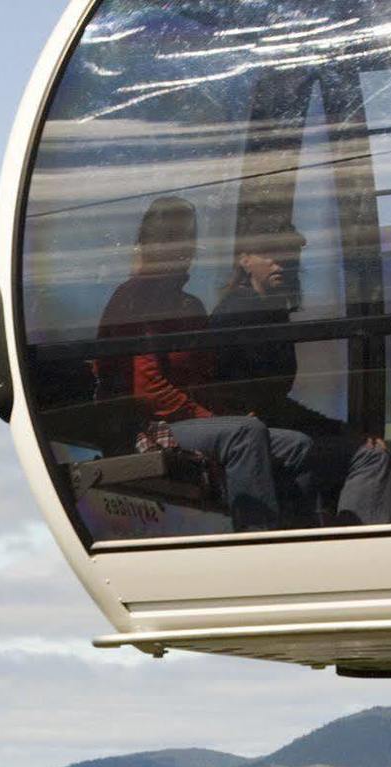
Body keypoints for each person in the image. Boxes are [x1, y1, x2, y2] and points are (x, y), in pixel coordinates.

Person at [94, 196, 289, 531]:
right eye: (170, 239)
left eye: (187, 240)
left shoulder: (191, 305)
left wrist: (226, 413)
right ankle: (258, 543)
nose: (182, 249)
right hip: (151, 426)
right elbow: (147, 388)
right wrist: (211, 419)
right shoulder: (132, 300)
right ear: (149, 243)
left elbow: (205, 377)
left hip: (193, 422)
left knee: (295, 445)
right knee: (245, 434)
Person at [212, 209, 391, 526]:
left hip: (265, 425)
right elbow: (253, 399)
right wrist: (340, 430)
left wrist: (338, 429)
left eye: (289, 255)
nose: (280, 263)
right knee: (370, 457)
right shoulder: (241, 312)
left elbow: (270, 401)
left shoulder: (270, 311)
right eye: (269, 254)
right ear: (245, 260)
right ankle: (356, 548)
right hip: (247, 433)